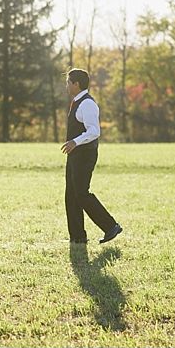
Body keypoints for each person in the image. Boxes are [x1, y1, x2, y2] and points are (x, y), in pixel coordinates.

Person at [61, 68, 123, 244]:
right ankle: (78, 237)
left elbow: (94, 131)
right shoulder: (77, 101)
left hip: (84, 155)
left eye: (68, 82)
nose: (66, 85)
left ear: (76, 84)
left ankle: (110, 226)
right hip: (75, 155)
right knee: (71, 195)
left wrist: (75, 142)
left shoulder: (87, 104)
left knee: (81, 193)